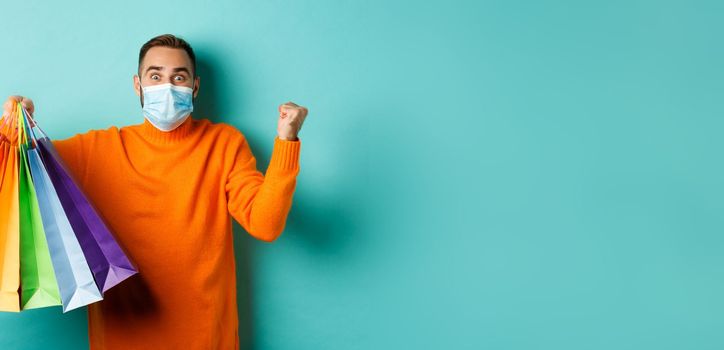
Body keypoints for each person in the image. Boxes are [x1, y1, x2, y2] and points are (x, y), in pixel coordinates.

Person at [3, 33, 308, 349]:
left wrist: (287, 141)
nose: (167, 86)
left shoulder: (225, 145)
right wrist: (15, 126)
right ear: (138, 86)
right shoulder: (97, 150)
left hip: (205, 338)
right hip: (122, 338)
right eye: (155, 76)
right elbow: (23, 171)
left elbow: (266, 224)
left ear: (195, 87)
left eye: (179, 77)